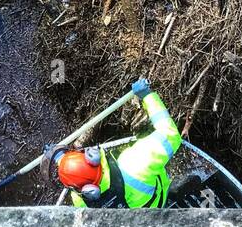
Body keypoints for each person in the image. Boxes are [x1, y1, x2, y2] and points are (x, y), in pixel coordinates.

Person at [50, 79, 181, 208]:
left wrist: (59, 158)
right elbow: (170, 135)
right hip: (158, 201)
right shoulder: (135, 162)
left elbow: (77, 175)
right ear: (93, 159)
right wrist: (148, 96)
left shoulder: (82, 201)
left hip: (136, 224)